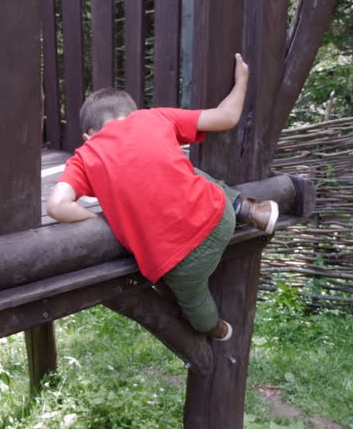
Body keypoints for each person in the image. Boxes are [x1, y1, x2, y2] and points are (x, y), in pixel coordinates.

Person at [46, 54, 278, 341]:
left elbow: (57, 206)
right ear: (132, 112)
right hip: (219, 217)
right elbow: (227, 117)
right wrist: (242, 79)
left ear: (87, 136)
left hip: (177, 262)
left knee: (194, 301)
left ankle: (217, 329)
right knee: (182, 168)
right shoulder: (153, 117)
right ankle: (249, 209)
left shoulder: (85, 155)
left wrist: (97, 218)